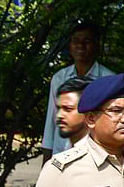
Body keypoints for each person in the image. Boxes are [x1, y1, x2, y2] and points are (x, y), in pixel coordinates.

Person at [42, 21, 115, 159]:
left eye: (87, 41)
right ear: (70, 46)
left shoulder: (108, 80)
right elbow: (51, 120)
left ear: (97, 45)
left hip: (96, 156)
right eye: (76, 41)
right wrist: (47, 156)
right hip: (62, 153)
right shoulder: (59, 78)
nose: (81, 46)